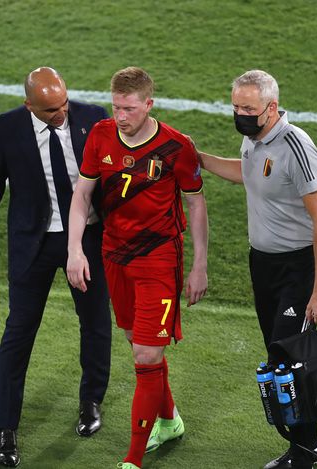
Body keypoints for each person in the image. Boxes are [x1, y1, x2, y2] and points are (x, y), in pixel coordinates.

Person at [0, 67, 112, 467]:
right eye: (50, 109)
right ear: (28, 104)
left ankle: (91, 401)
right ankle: (6, 427)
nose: (61, 113)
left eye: (64, 103)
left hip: (87, 240)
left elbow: (114, 178)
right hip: (34, 242)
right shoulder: (6, 128)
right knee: (18, 333)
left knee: (95, 321)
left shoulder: (93, 116)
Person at [67, 66, 209, 469]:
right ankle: (169, 420)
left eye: (129, 108)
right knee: (136, 341)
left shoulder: (177, 147)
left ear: (149, 104)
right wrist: (74, 249)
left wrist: (199, 265)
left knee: (145, 356)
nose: (121, 116)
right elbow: (83, 194)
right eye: (116, 107)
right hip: (114, 255)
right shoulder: (100, 134)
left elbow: (196, 204)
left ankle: (132, 460)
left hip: (160, 258)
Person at [197, 69, 317, 469]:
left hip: (298, 268)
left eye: (248, 108)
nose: (240, 114)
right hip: (262, 265)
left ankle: (307, 449)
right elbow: (250, 175)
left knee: (286, 362)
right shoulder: (254, 137)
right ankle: (303, 444)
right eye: (235, 106)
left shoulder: (297, 146)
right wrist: (201, 159)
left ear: (271, 108)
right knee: (278, 356)